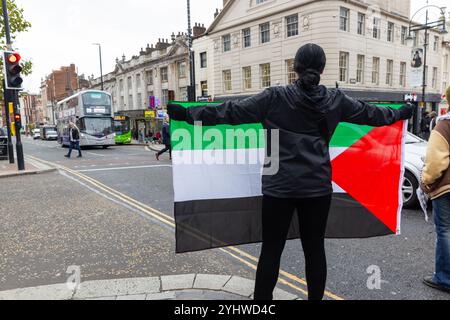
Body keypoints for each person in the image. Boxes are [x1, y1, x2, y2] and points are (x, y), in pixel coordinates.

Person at [168, 43, 414, 301]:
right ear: (321, 68)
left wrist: (187, 113)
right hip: (317, 188)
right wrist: (399, 112)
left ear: (294, 67)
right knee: (315, 250)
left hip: (279, 188)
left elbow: (229, 112)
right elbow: (372, 114)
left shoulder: (273, 97)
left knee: (272, 250)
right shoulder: (336, 101)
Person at [421, 86, 450, 294]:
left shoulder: (444, 125)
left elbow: (435, 163)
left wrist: (426, 182)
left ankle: (444, 278)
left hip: (447, 189)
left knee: (446, 231)